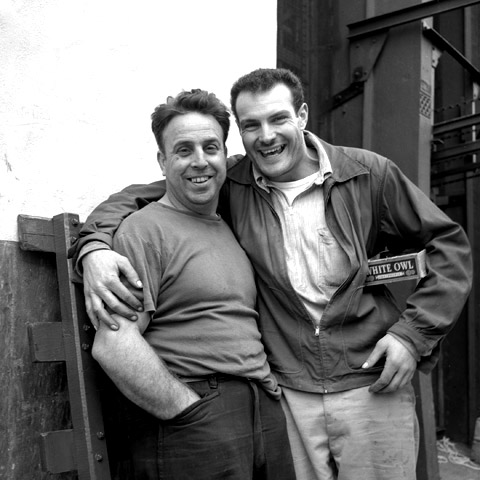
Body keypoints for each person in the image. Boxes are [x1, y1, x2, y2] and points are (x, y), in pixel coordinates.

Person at [72, 69, 473, 480]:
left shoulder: (366, 174)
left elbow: (448, 246)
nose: (266, 136)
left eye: (278, 118)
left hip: (367, 381)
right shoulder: (234, 183)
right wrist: (94, 246)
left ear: (302, 116)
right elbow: (145, 195)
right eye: (251, 125)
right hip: (289, 395)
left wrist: (411, 336)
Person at [90, 88, 295, 479]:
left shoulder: (229, 225)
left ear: (225, 155)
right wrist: (187, 410)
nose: (200, 161)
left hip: (262, 412)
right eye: (184, 150)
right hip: (196, 415)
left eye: (210, 148)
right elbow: (113, 345)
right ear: (162, 161)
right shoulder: (144, 230)